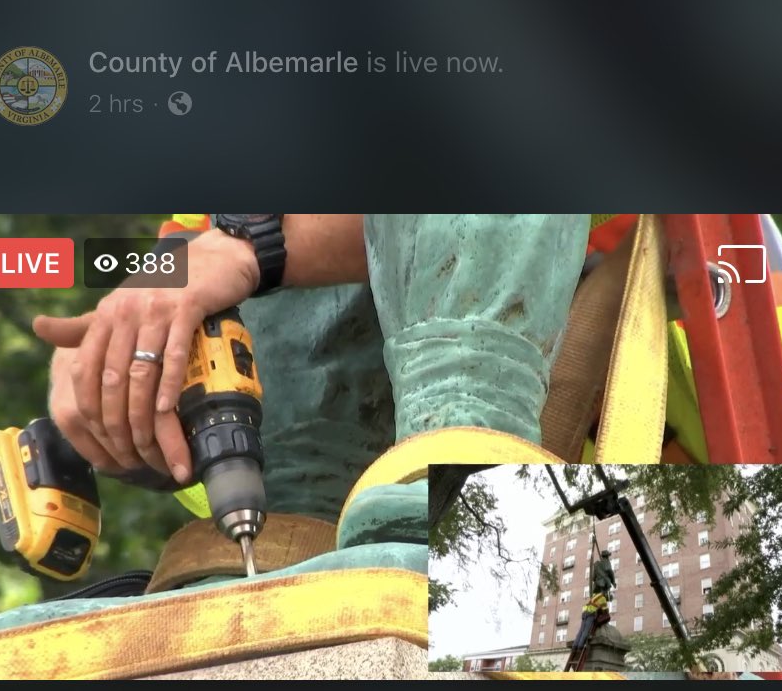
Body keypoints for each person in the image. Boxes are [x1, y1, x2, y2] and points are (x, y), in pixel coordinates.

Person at [32, 214, 591, 523]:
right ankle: (291, 548)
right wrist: (113, 340)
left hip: (564, 414)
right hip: (303, 509)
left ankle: (441, 463)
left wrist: (258, 248)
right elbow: (194, 251)